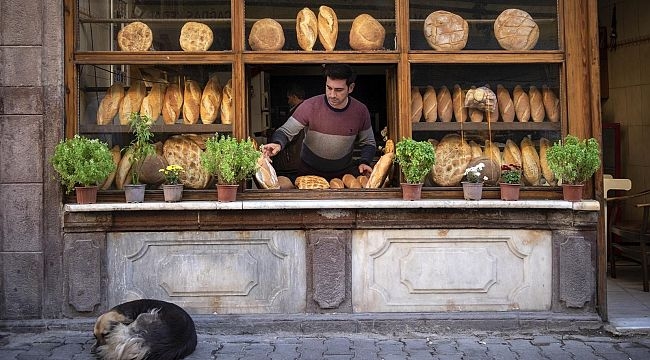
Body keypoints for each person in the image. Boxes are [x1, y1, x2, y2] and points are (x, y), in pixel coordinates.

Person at [262, 64, 376, 181]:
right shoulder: (309, 106)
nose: (332, 95)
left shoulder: (360, 111)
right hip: (308, 174)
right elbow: (285, 131)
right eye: (329, 88)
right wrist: (277, 143)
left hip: (343, 177)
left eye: (338, 90)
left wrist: (365, 161)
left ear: (351, 88)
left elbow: (369, 142)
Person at [270, 84, 306, 182]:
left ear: (294, 97)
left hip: (293, 159)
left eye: (289, 98)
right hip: (299, 158)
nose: (288, 101)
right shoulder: (305, 109)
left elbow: (291, 133)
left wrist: (273, 134)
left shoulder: (298, 111)